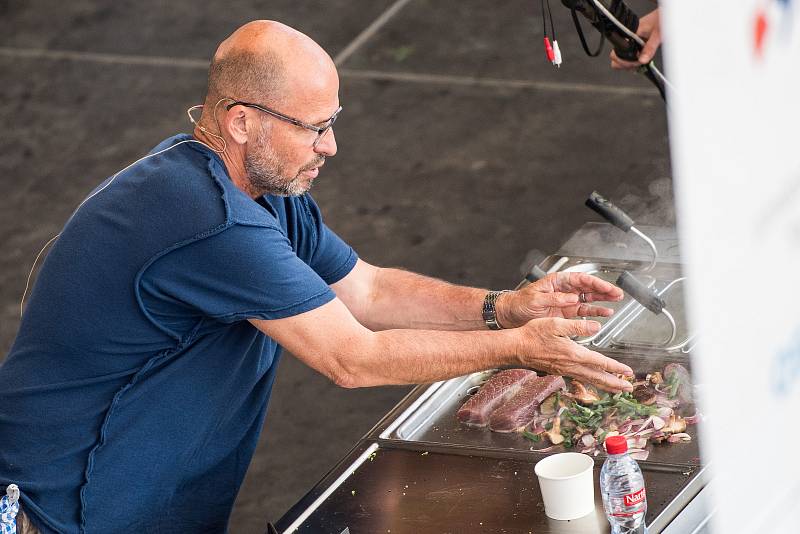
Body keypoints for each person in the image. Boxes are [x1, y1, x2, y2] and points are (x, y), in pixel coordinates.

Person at [0, 20, 634, 533]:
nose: (330, 146)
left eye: (332, 123)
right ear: (242, 121)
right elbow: (352, 359)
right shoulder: (209, 219)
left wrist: (507, 307)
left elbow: (367, 290)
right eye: (315, 128)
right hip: (63, 508)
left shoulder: (265, 192)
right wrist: (519, 349)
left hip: (146, 498)